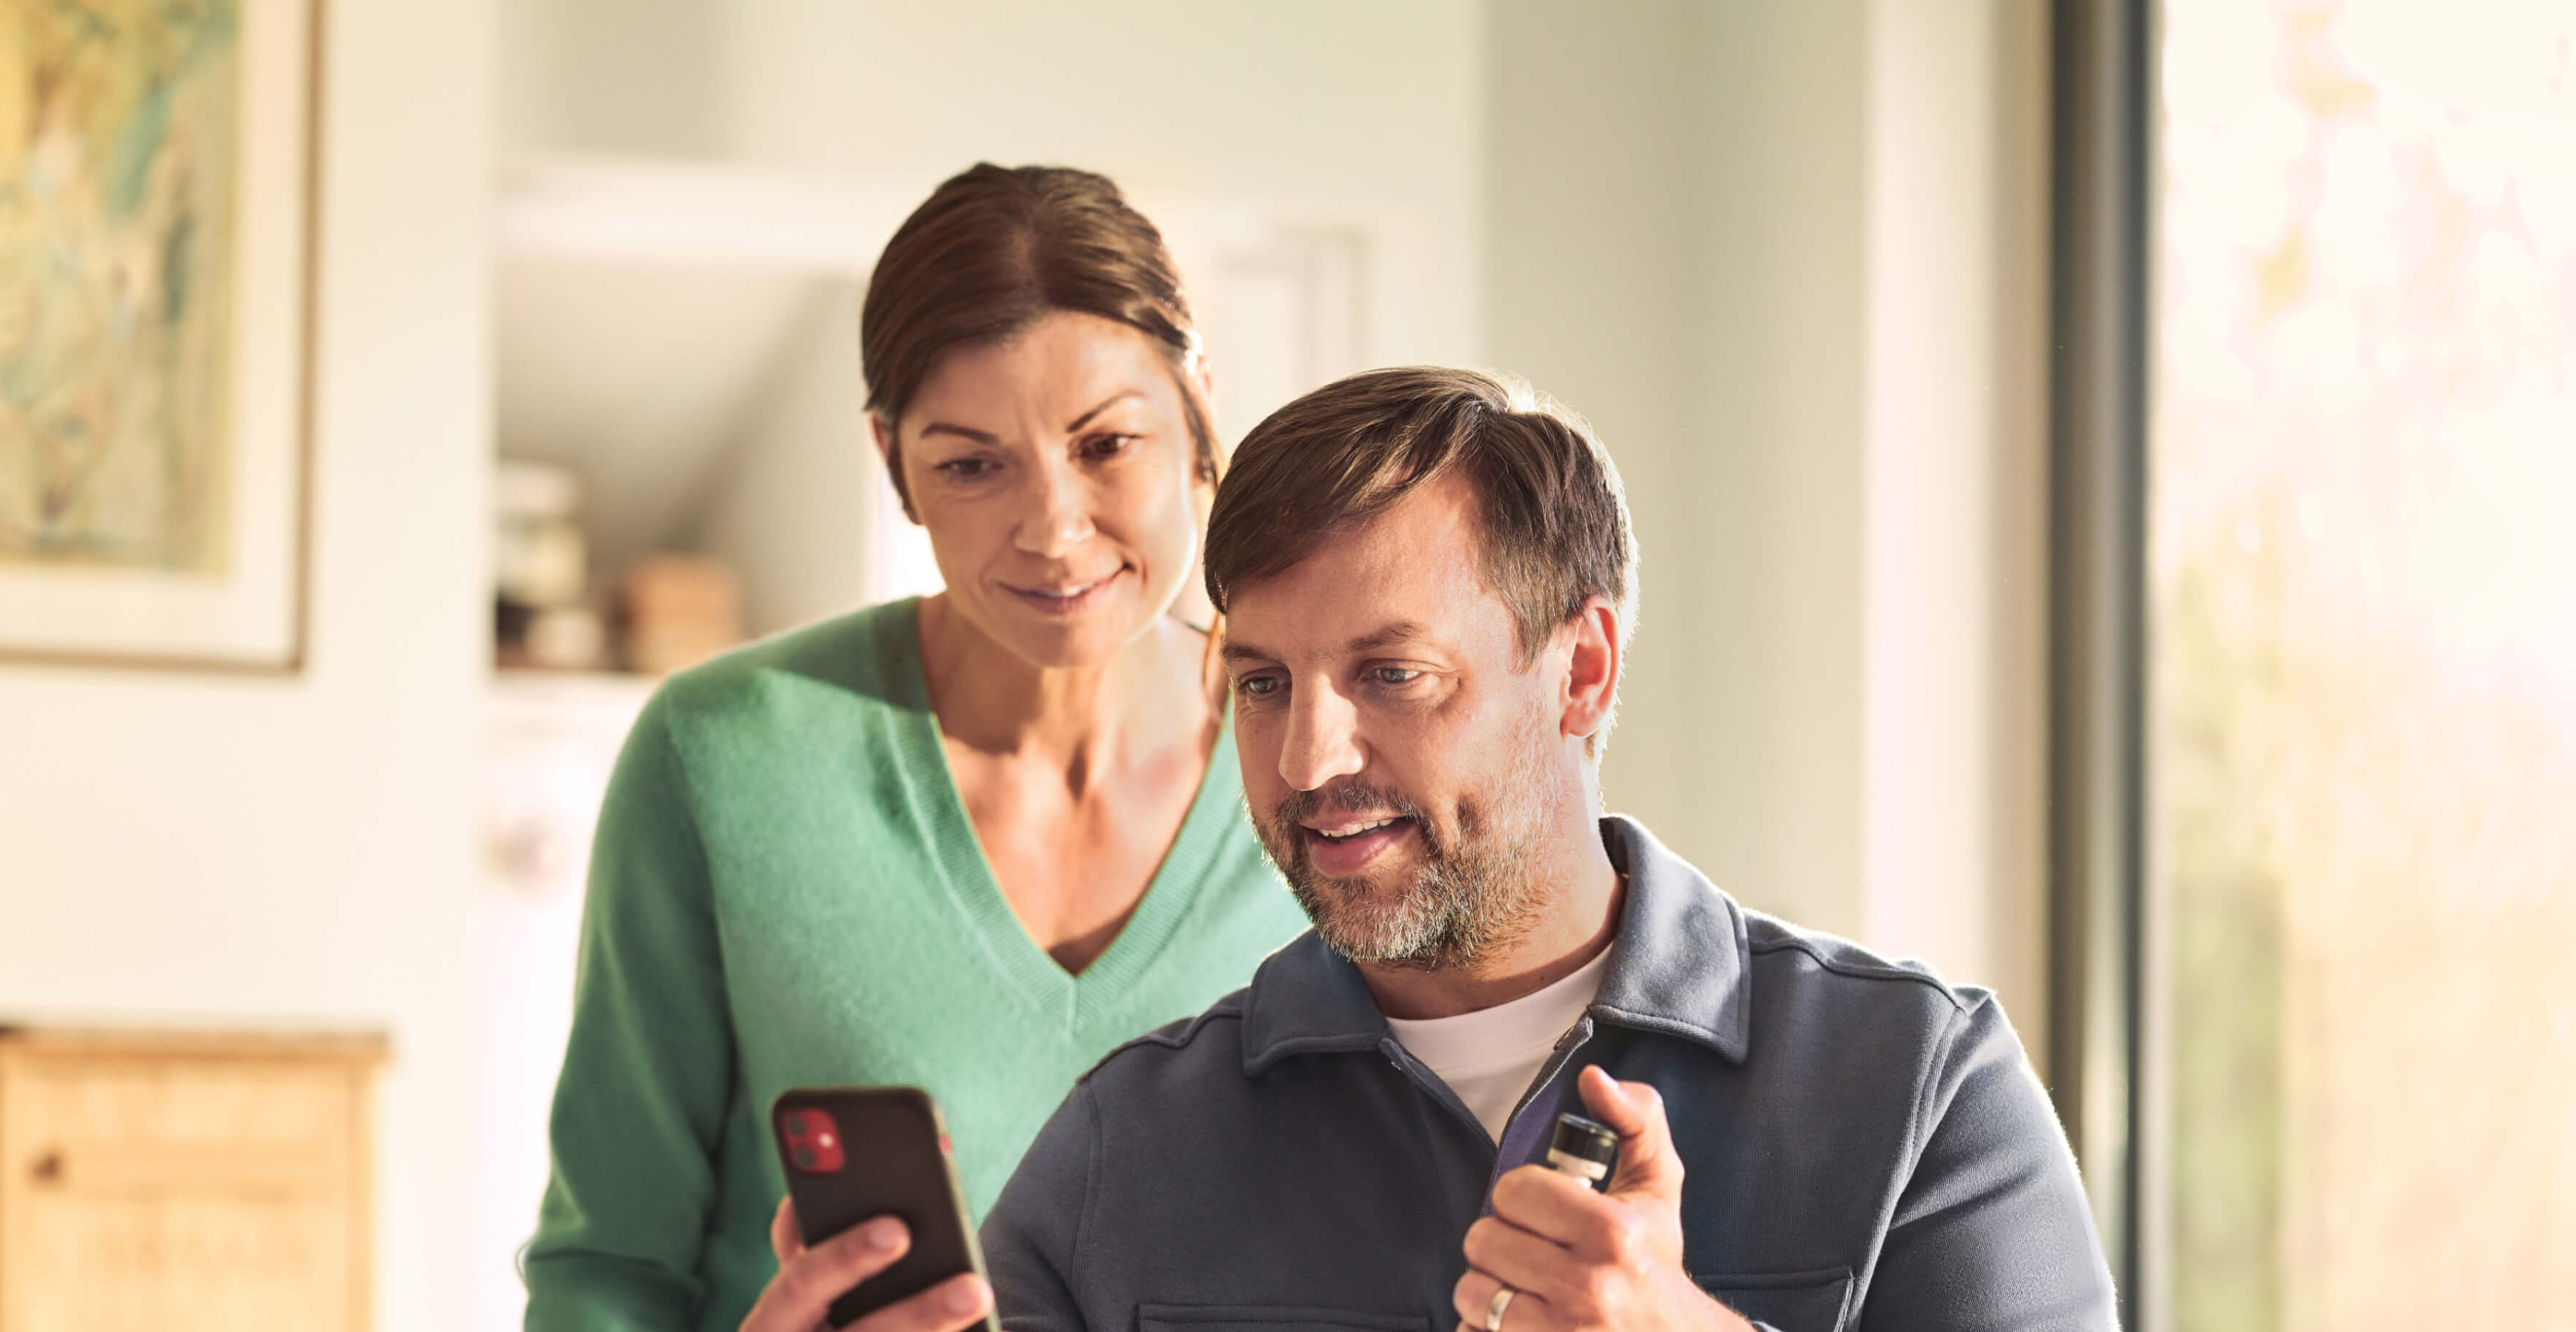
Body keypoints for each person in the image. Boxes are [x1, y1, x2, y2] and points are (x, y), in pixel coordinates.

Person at [980, 367, 2118, 1331]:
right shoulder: (1121, 1151)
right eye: (1265, 683)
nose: (1306, 762)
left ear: (1582, 672)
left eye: (1394, 674)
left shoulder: (1919, 1089)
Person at [520, 164, 1307, 1331]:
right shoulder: (720, 758)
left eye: (1106, 445)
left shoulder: (1326, 768)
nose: (1052, 527)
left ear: (1197, 408)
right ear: (895, 461)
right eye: (972, 463)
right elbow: (607, 1274)